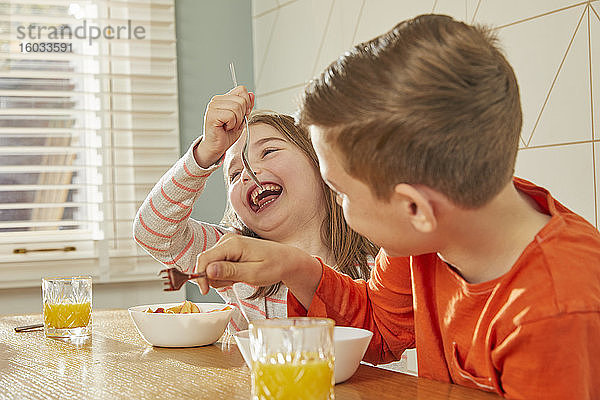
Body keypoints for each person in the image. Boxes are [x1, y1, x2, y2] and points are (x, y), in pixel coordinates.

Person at [193, 14, 600, 399]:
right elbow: (381, 328)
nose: (338, 203)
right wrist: (289, 264)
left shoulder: (558, 312)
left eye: (342, 193)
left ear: (414, 208)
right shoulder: (433, 228)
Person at [133, 87, 377, 332]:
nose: (249, 173)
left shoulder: (376, 259)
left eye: (269, 151)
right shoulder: (235, 254)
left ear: (319, 162)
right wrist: (207, 152)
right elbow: (152, 232)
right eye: (235, 174)